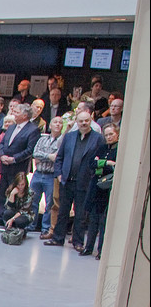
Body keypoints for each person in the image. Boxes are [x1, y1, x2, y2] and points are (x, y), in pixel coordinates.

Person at [46, 107, 106, 250]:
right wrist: (59, 174)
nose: (84, 123)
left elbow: (100, 159)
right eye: (81, 121)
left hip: (85, 182)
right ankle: (58, 238)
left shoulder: (98, 139)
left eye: (86, 121)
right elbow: (59, 157)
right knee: (62, 212)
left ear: (91, 121)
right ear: (76, 122)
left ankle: (78, 242)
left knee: (80, 214)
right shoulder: (69, 136)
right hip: (66, 180)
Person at [0, 103, 39, 218]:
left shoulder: (33, 130)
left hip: (18, 168)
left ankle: (11, 218)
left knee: (15, 194)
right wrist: (2, 155)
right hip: (4, 165)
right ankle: (0, 215)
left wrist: (14, 159)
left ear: (24, 115)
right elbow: (3, 143)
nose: (14, 114)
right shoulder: (12, 127)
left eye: (17, 112)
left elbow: (29, 150)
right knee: (2, 192)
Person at [81, 123, 118, 259]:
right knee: (93, 220)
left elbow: (114, 168)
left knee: (103, 222)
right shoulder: (101, 148)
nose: (108, 137)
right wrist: (107, 163)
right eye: (106, 135)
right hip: (96, 188)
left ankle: (101, 250)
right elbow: (92, 164)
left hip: (107, 190)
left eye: (111, 134)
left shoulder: (118, 149)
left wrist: (100, 163)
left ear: (117, 134)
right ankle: (88, 247)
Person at [29, 115, 65, 236]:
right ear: (50, 125)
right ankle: (31, 224)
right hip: (38, 174)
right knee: (32, 200)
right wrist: (49, 156)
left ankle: (45, 228)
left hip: (51, 176)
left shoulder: (63, 141)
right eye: (55, 122)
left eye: (60, 123)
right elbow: (35, 153)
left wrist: (43, 157)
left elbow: (59, 157)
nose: (58, 124)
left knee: (50, 204)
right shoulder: (42, 139)